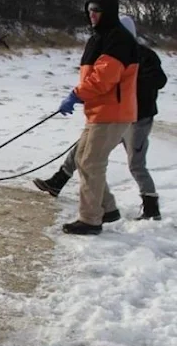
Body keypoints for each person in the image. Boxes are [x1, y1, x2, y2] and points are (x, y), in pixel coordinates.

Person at [34, 14, 167, 223]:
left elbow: (160, 80)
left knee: (135, 164)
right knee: (84, 151)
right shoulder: (109, 52)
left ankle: (151, 207)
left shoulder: (144, 55)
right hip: (112, 115)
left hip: (138, 119)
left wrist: (129, 80)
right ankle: (59, 181)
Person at [42, 0, 139, 235]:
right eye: (89, 11)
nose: (92, 15)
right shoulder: (101, 36)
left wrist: (76, 94)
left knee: (91, 162)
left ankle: (90, 220)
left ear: (108, 12)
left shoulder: (118, 38)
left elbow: (102, 79)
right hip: (100, 112)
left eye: (96, 11)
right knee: (82, 159)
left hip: (112, 113)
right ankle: (108, 209)